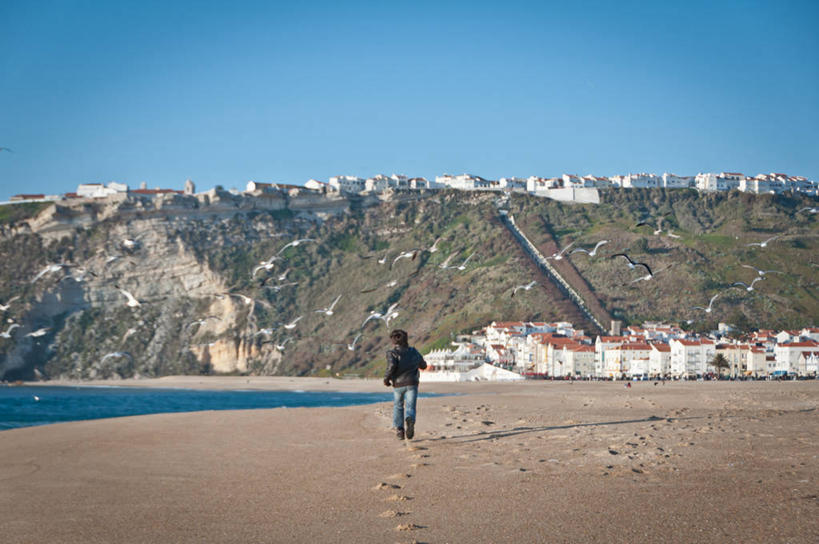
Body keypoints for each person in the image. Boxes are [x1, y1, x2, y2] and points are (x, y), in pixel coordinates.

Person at [383, 329, 427, 440]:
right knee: (410, 406)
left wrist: (386, 379)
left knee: (398, 406)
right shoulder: (413, 351)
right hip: (412, 383)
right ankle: (410, 419)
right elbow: (423, 365)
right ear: (406, 339)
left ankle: (400, 430)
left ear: (393, 341)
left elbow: (391, 366)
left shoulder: (391, 353)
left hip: (398, 384)